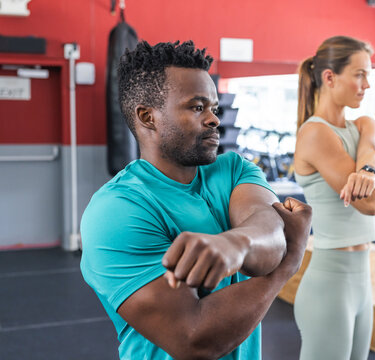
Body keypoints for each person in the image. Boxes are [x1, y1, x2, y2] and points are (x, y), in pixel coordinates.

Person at [80, 40, 312, 360]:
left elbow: (270, 229)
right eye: (197, 106)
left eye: (214, 108)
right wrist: (289, 262)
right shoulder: (117, 209)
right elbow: (194, 340)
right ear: (148, 117)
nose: (214, 119)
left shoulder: (234, 169)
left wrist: (237, 244)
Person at [293, 35, 375, 360]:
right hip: (330, 284)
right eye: (359, 74)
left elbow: (369, 146)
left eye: (369, 74)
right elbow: (370, 205)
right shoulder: (314, 133)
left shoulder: (363, 124)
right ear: (329, 77)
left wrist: (372, 160)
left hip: (361, 280)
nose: (367, 84)